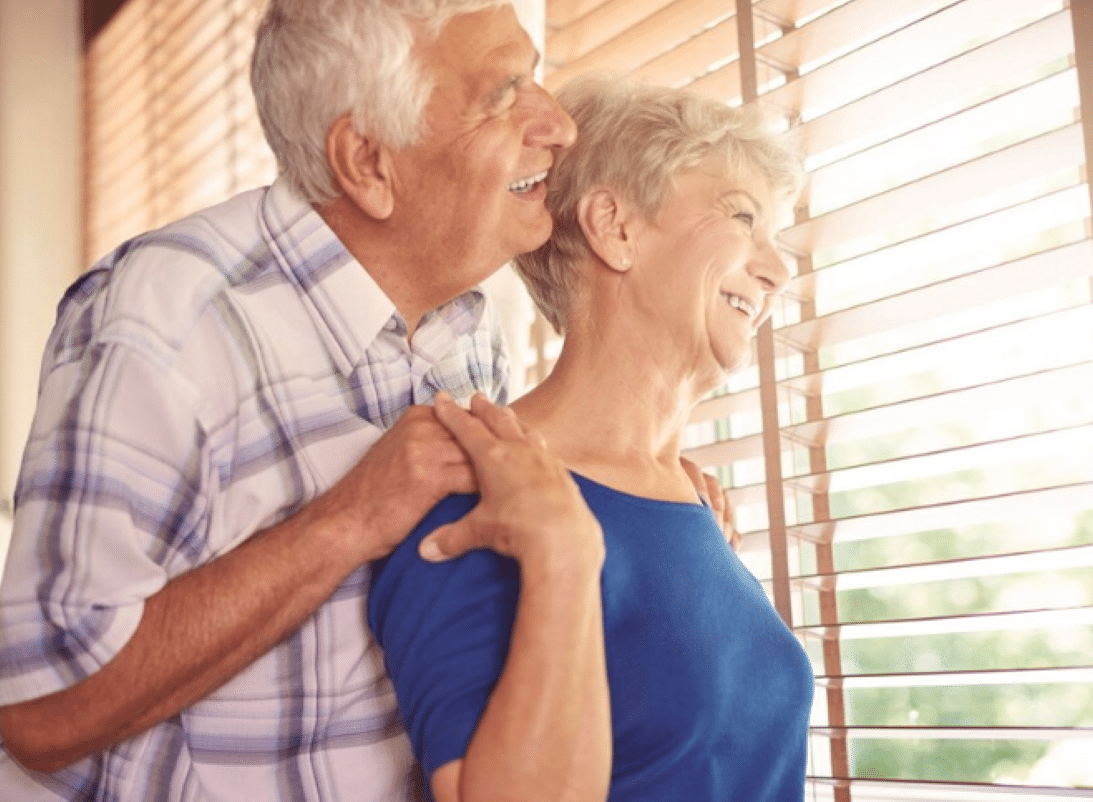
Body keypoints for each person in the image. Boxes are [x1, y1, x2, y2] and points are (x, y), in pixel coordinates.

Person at [0, 1, 590, 798]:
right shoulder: (162, 327)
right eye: (502, 94)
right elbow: (40, 711)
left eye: (537, 81)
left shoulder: (468, 331)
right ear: (368, 163)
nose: (558, 125)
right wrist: (347, 520)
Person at [368, 76, 816, 802]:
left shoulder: (693, 505)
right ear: (615, 226)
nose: (779, 267)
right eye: (742, 218)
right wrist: (563, 548)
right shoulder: (476, 492)